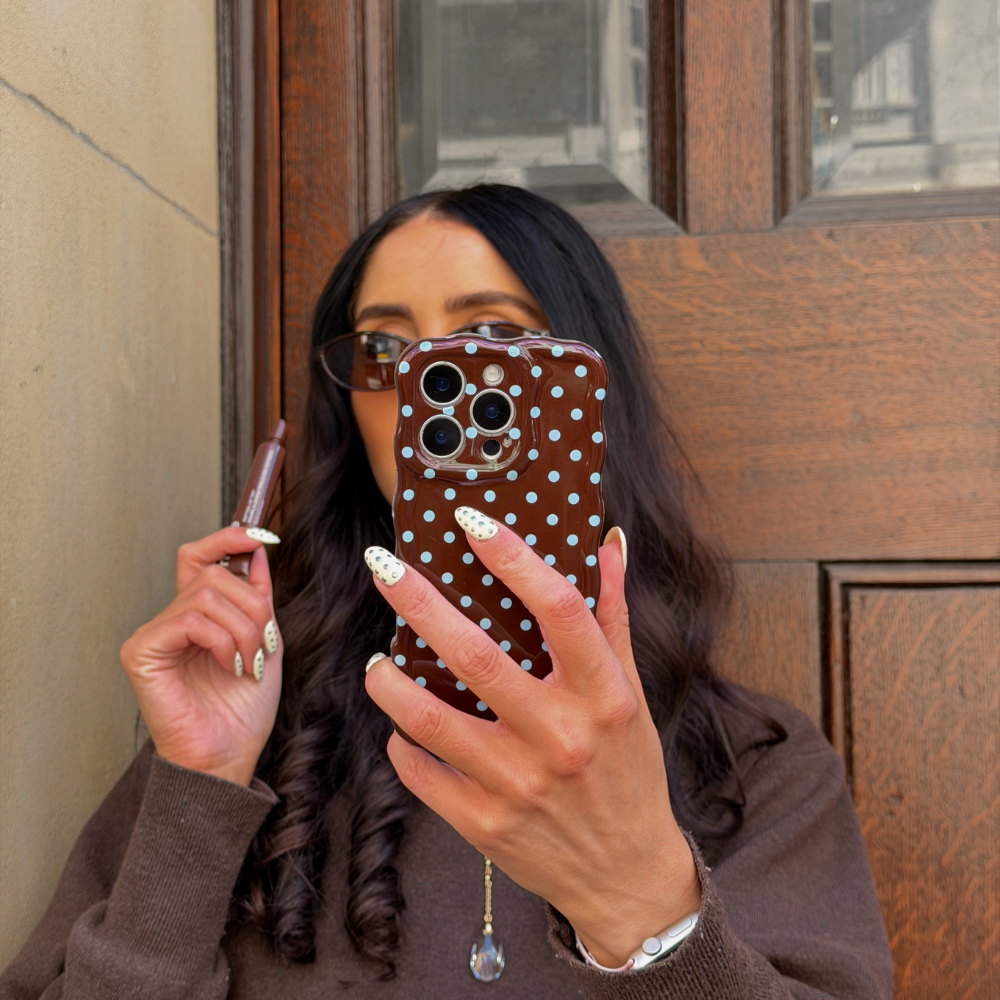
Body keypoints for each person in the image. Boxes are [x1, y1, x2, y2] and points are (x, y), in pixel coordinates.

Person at [0, 186, 892, 999]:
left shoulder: (759, 769)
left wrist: (649, 907)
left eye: (492, 341)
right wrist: (199, 788)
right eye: (387, 350)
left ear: (585, 382)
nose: (433, 393)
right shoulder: (249, 731)